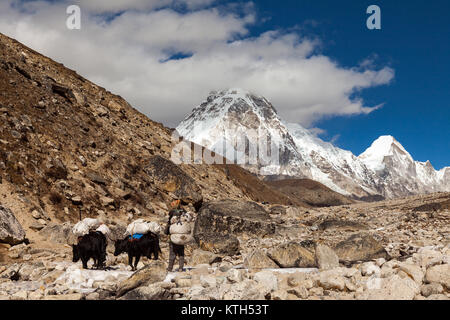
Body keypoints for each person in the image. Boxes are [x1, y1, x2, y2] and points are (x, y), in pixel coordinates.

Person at [165, 200, 187, 272]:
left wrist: (166, 232)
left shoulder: (172, 213)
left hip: (173, 237)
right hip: (182, 236)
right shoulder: (183, 212)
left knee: (172, 253)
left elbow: (167, 229)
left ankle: (170, 268)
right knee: (181, 253)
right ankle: (181, 268)